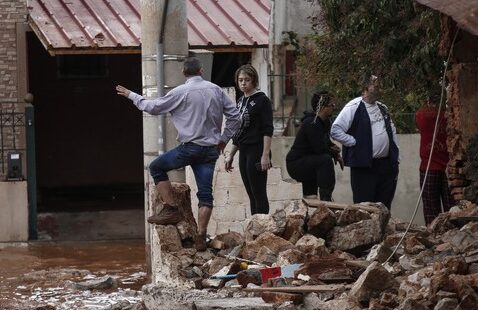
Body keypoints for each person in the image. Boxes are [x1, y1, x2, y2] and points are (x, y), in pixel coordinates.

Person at [115, 57, 240, 251]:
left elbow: (153, 107)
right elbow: (235, 117)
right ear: (201, 71)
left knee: (156, 167)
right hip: (210, 150)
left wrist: (132, 95)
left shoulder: (180, 92)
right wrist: (224, 139)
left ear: (184, 74)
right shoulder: (216, 89)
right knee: (206, 195)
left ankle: (172, 209)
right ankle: (200, 236)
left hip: (189, 148)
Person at [330, 74, 400, 209]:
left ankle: (383, 230)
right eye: (376, 85)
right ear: (366, 87)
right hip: (364, 167)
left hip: (386, 166)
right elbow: (335, 130)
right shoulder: (353, 106)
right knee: (364, 207)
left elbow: (392, 132)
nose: (379, 88)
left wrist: (396, 158)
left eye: (380, 85)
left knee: (384, 207)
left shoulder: (383, 107)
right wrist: (354, 142)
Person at [224, 64, 274, 215]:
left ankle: (263, 226)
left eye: (247, 79)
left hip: (257, 149)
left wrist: (265, 155)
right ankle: (255, 226)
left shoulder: (262, 100)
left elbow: (267, 129)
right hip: (244, 150)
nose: (243, 83)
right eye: (240, 80)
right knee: (251, 193)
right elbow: (240, 132)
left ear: (254, 81)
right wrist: (231, 154)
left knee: (259, 192)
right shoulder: (240, 101)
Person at [286, 91, 343, 201]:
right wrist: (334, 153)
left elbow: (325, 142)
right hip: (296, 163)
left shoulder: (324, 122)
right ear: (323, 107)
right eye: (332, 105)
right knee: (325, 160)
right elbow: (320, 148)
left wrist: (334, 149)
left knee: (320, 163)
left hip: (309, 160)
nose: (334, 108)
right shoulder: (311, 123)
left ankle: (311, 202)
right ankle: (326, 200)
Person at [416, 98, 455, 225]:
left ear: (428, 100)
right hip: (450, 167)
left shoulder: (421, 115)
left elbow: (418, 125)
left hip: (429, 167)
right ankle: (454, 233)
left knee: (431, 209)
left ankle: (434, 235)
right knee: (452, 207)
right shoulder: (449, 116)